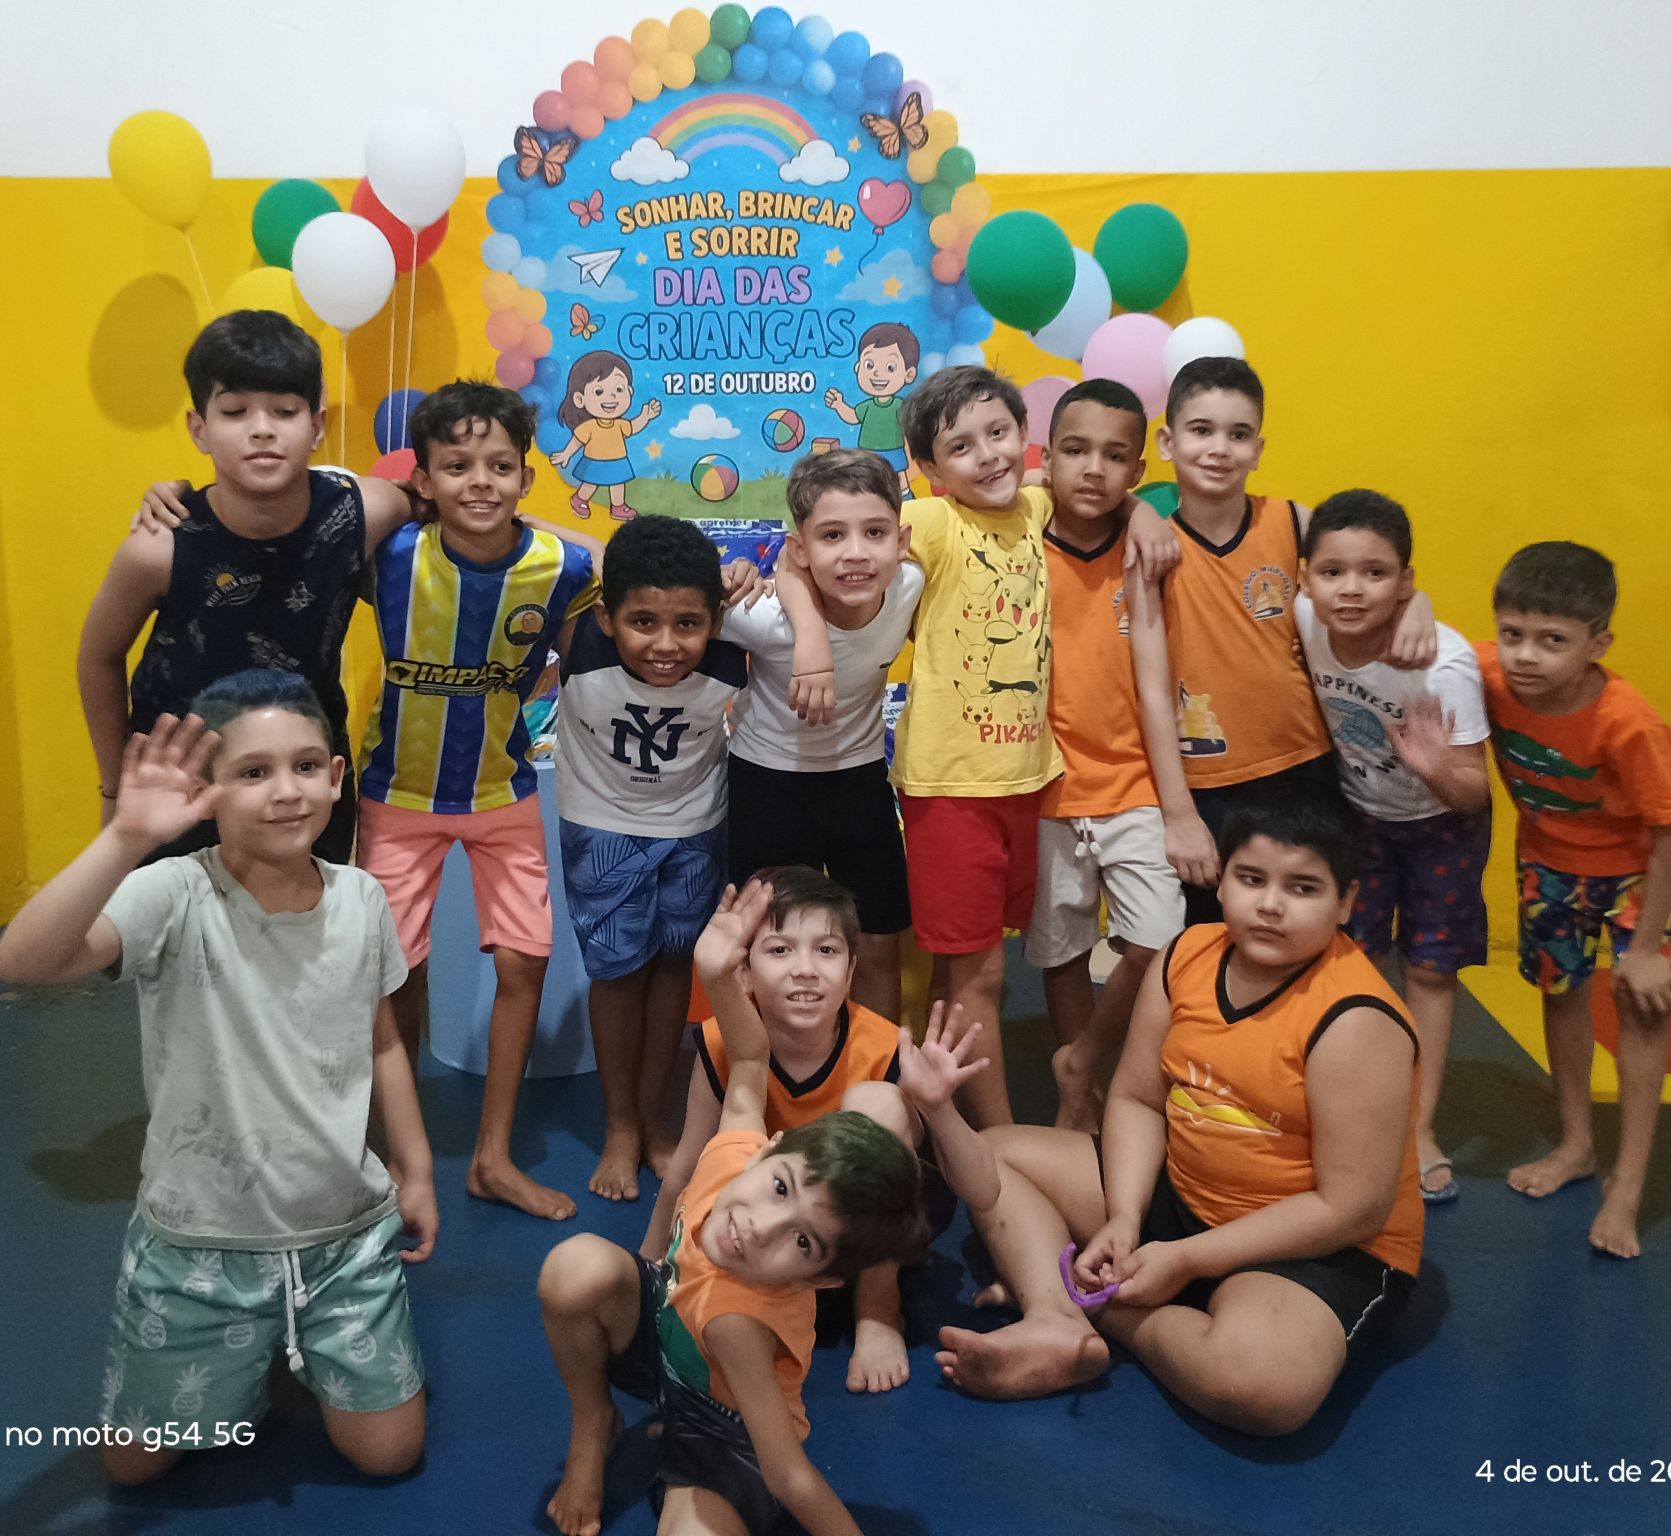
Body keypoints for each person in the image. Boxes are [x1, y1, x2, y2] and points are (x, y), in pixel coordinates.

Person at [0, 672, 437, 1483]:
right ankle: (260, 1353)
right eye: (253, 771)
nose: (287, 791)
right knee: (131, 1469)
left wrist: (416, 1169)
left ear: (337, 777)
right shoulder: (173, 893)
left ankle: (292, 1342)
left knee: (389, 1456)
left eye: (306, 766)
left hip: (343, 1236)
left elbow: (381, 1041)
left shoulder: (362, 898)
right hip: (200, 1243)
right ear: (207, 790)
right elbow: (22, 963)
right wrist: (125, 838)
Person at [936, 794, 1424, 1437]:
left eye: (1302, 888)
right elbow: (1137, 1099)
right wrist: (1124, 1218)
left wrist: (1188, 1260)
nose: (1270, 905)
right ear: (1221, 880)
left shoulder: (1356, 1019)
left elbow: (1350, 1208)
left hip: (1310, 1245)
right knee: (992, 1155)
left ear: (1346, 902)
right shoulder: (1187, 954)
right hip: (1183, 1193)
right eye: (1251, 878)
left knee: (1259, 1386)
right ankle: (1054, 1321)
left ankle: (1095, 1306)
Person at [537, 877, 926, 1536]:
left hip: (721, 1425)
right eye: (781, 1189)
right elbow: (749, 1055)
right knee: (575, 1266)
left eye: (801, 1242)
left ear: (821, 1281)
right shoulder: (734, 1153)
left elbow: (789, 1475)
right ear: (768, 1148)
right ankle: (592, 1422)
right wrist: (714, 973)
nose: (758, 1227)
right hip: (666, 1339)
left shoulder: (738, 1322)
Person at [355, 381, 596, 1222]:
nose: (480, 482)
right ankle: (396, 1158)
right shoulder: (388, 555)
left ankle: (492, 1157)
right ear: (423, 480)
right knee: (394, 974)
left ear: (526, 478)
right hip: (395, 794)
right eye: (456, 466)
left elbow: (602, 614)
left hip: (503, 789)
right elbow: (309, 510)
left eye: (499, 466)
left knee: (525, 962)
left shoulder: (560, 567)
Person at [78, 310, 426, 862]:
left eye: (285, 411)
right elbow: (98, 656)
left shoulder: (366, 511)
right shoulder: (159, 546)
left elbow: (463, 508)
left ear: (317, 425)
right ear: (199, 429)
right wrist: (115, 786)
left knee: (309, 913)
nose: (262, 428)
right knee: (179, 917)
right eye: (235, 411)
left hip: (305, 776)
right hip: (182, 783)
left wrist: (565, 540)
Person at [1141, 357, 1435, 925]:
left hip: (1307, 765)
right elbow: (1150, 691)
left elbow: (1370, 567)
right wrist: (1177, 813)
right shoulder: (1153, 550)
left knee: (1307, 925)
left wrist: (1414, 602)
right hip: (1206, 782)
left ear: (1258, 449)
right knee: (1213, 934)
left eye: (1238, 434)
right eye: (1201, 430)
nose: (1219, 449)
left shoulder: (1294, 522)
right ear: (1167, 442)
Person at [639, 866, 921, 1394]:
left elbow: (896, 1195)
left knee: (880, 1103)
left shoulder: (882, 1047)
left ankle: (878, 1310)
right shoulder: (721, 1042)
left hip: (843, 1243)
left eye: (826, 950)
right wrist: (649, 1269)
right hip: (761, 1235)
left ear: (851, 968)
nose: (805, 970)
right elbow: (688, 1165)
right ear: (744, 972)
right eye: (780, 950)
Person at [1297, 489, 1492, 1204]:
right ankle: (1350, 1104)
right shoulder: (1303, 618)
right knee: (1353, 959)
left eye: (1374, 574)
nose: (1351, 589)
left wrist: (1433, 765)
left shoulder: (1443, 665)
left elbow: (1473, 791)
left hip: (1440, 823)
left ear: (1405, 581)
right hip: (1360, 817)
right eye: (1333, 572)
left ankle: (1418, 1124)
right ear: (1306, 578)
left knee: (1430, 973)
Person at [1479, 542, 1671, 1257]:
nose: (1526, 656)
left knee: (1640, 1011)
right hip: (1547, 866)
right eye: (1512, 634)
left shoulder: (1627, 722)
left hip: (1634, 877)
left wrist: (1646, 948)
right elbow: (1426, 637)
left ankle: (1627, 1186)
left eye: (1552, 641)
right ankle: (1576, 1145)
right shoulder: (1489, 674)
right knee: (1560, 995)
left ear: (1597, 645)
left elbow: (1666, 830)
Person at [556, 515, 747, 1200]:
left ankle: (655, 1118)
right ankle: (620, 1126)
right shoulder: (575, 635)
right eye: (642, 622)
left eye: (687, 624)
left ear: (715, 620)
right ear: (606, 617)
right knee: (616, 972)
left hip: (695, 825)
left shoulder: (734, 642)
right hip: (600, 824)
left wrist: (749, 576)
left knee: (672, 965)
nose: (666, 645)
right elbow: (527, 536)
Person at [1028, 380, 1199, 1132]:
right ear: (1046, 457)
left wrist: (1142, 513)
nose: (1093, 468)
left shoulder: (1145, 550)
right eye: (1075, 450)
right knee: (1061, 949)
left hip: (1134, 783)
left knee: (1155, 941)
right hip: (1044, 788)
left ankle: (1084, 1058)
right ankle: (1081, 1094)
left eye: (1113, 456)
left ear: (1137, 469)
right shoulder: (1018, 539)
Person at [721, 449, 922, 1020]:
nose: (856, 552)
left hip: (859, 784)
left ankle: (876, 1067)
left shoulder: (909, 585)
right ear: (801, 549)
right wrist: (735, 576)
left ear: (902, 541)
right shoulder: (761, 617)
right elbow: (680, 602)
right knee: (768, 947)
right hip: (767, 786)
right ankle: (765, 1070)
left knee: (877, 944)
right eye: (833, 535)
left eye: (875, 532)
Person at [547, 349, 661, 521]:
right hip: (594, 461)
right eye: (599, 391)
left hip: (618, 460)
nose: (612, 396)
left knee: (618, 483)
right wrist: (566, 454)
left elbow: (633, 427)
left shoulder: (620, 424)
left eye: (619, 389)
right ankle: (580, 499)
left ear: (629, 392)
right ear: (580, 399)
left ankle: (618, 506)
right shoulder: (589, 426)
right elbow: (577, 441)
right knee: (590, 483)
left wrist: (645, 416)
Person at [823, 322, 921, 499]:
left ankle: (906, 499)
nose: (877, 373)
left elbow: (911, 425)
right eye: (869, 365)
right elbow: (853, 416)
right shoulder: (867, 406)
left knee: (899, 478)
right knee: (868, 481)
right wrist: (839, 405)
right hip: (867, 451)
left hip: (893, 450)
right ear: (858, 367)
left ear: (909, 374)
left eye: (890, 368)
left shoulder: (899, 406)